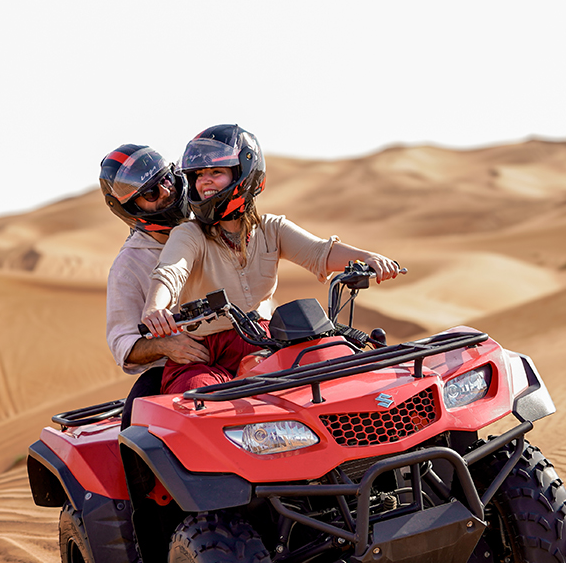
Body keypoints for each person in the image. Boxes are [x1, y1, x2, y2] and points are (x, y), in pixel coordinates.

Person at [140, 125, 401, 395]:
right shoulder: (189, 234)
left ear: (243, 174)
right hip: (204, 355)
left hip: (263, 341)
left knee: (328, 371)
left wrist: (367, 258)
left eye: (215, 172)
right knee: (200, 399)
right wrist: (155, 307)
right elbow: (170, 272)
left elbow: (319, 252)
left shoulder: (271, 229)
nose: (204, 181)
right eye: (198, 175)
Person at [98, 143, 198, 563]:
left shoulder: (209, 222)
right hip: (176, 367)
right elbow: (122, 344)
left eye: (166, 180)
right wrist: (167, 345)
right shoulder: (130, 264)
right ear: (131, 208)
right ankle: (150, 556)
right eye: (150, 193)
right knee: (136, 434)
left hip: (246, 345)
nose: (165, 193)